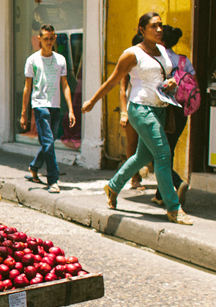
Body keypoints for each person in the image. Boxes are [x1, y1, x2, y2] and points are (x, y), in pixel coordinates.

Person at [81, 12, 193, 225]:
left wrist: (171, 82)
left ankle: (113, 186)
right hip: (141, 109)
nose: (159, 30)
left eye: (160, 25)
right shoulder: (131, 54)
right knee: (162, 154)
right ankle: (174, 208)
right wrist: (93, 101)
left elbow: (165, 75)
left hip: (160, 108)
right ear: (142, 30)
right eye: (153, 26)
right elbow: (113, 81)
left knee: (142, 157)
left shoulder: (162, 50)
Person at [19, 25, 76, 193]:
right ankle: (53, 179)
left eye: (51, 38)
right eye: (45, 38)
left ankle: (34, 166)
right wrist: (23, 113)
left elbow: (65, 85)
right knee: (49, 142)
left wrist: (71, 109)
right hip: (39, 105)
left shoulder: (60, 60)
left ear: (55, 38)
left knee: (47, 142)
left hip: (55, 106)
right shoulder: (32, 60)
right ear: (39, 39)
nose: (49, 42)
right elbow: (27, 88)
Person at [151, 24, 193, 208]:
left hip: (163, 110)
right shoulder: (184, 61)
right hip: (181, 111)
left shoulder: (158, 59)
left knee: (155, 153)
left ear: (161, 41)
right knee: (169, 150)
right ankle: (160, 194)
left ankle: (177, 183)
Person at [119, 33, 145, 190]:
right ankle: (134, 178)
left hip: (148, 107)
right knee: (132, 144)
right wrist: (124, 112)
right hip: (131, 107)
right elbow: (122, 89)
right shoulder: (129, 59)